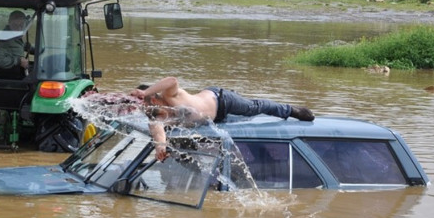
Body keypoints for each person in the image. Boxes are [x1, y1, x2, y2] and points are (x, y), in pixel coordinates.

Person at [130, 77, 314, 161]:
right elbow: (158, 133)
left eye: (144, 104)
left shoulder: (171, 96)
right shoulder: (159, 117)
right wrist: (160, 147)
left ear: (153, 98)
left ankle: (291, 110)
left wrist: (144, 91)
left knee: (254, 108)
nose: (143, 109)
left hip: (221, 100)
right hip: (216, 119)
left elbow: (172, 80)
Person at [0, 10, 31, 78]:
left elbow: (13, 48)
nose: (19, 28)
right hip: (10, 77)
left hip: (17, 73)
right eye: (15, 25)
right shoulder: (6, 40)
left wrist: (28, 47)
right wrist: (18, 61)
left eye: (21, 25)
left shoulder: (14, 36)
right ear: (9, 23)